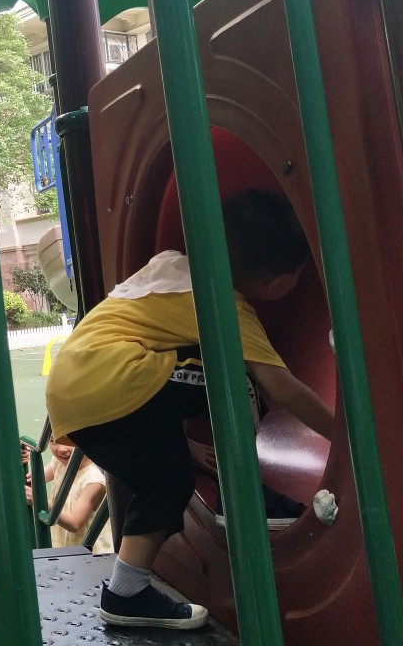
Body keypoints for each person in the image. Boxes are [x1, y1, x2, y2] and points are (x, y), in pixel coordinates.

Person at [45, 188, 333, 630]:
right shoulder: (226, 307)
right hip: (113, 381)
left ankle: (126, 593)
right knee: (237, 373)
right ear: (278, 282)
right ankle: (248, 496)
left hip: (77, 394)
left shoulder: (168, 263)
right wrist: (346, 434)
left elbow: (153, 355)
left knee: (168, 479)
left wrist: (182, 445)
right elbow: (282, 387)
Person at [23, 441, 114, 554]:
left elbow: (74, 523)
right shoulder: (59, 463)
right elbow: (30, 482)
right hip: (62, 544)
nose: (61, 449)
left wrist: (39, 501)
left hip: (87, 552)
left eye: (69, 441)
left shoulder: (93, 481)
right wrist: (20, 459)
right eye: (54, 441)